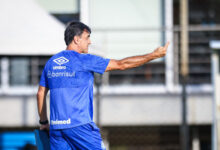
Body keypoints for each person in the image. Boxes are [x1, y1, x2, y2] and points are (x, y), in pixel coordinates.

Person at [37, 21, 169, 150]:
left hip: (57, 129)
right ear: (76, 39)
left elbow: (41, 93)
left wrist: (43, 122)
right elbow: (121, 64)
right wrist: (153, 55)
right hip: (80, 126)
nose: (90, 41)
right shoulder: (84, 60)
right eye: (87, 37)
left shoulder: (51, 63)